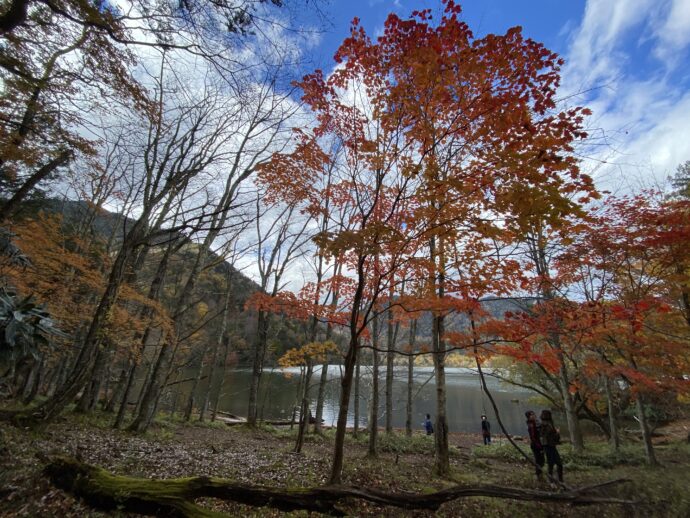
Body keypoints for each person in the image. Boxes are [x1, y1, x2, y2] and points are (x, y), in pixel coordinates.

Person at [539, 409, 563, 483]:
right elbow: (547, 436)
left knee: (552, 464)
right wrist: (557, 433)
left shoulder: (547, 424)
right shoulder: (545, 425)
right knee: (555, 464)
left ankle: (555, 480)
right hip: (549, 446)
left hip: (549, 446)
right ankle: (556, 480)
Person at [525, 410, 545, 479]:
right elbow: (533, 437)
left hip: (540, 444)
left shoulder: (536, 422)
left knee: (542, 460)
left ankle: (539, 473)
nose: (534, 415)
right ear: (529, 417)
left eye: (534, 414)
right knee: (538, 460)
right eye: (532, 415)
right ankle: (538, 474)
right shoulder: (531, 425)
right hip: (536, 445)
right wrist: (539, 446)